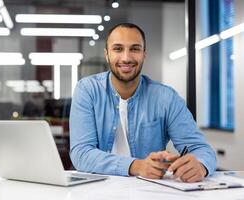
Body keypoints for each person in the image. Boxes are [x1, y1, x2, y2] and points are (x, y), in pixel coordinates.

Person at [69, 23, 216, 183]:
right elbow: (81, 153)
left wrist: (200, 166)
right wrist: (136, 166)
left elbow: (202, 149)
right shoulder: (88, 90)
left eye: (135, 49)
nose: (126, 58)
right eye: (118, 49)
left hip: (148, 191)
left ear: (144, 54)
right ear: (107, 54)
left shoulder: (166, 98)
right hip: (98, 189)